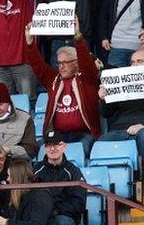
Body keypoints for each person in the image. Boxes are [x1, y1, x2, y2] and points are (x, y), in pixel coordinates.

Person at [25, 18, 100, 155]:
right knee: (39, 151)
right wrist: (30, 43)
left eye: (66, 62)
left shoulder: (87, 79)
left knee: (78, 152)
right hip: (58, 135)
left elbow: (86, 62)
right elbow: (38, 65)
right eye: (59, 63)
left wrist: (78, 37)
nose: (61, 66)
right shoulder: (54, 79)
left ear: (76, 63)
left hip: (83, 135)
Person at [98, 50, 144, 171]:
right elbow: (106, 113)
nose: (135, 65)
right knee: (101, 142)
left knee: (143, 134)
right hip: (120, 130)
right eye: (133, 62)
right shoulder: (121, 86)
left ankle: (137, 173)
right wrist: (104, 99)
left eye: (140, 61)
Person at [33, 132, 86, 225]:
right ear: (45, 148)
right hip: (40, 215)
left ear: (64, 146)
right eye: (48, 145)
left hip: (64, 216)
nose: (52, 149)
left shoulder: (73, 171)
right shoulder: (35, 170)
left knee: (60, 222)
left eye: (56, 144)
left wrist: (55, 211)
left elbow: (78, 202)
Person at [0, 159, 56, 225]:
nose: (7, 179)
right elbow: (7, 219)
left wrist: (7, 222)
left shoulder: (41, 196)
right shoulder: (17, 195)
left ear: (18, 178)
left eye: (10, 176)